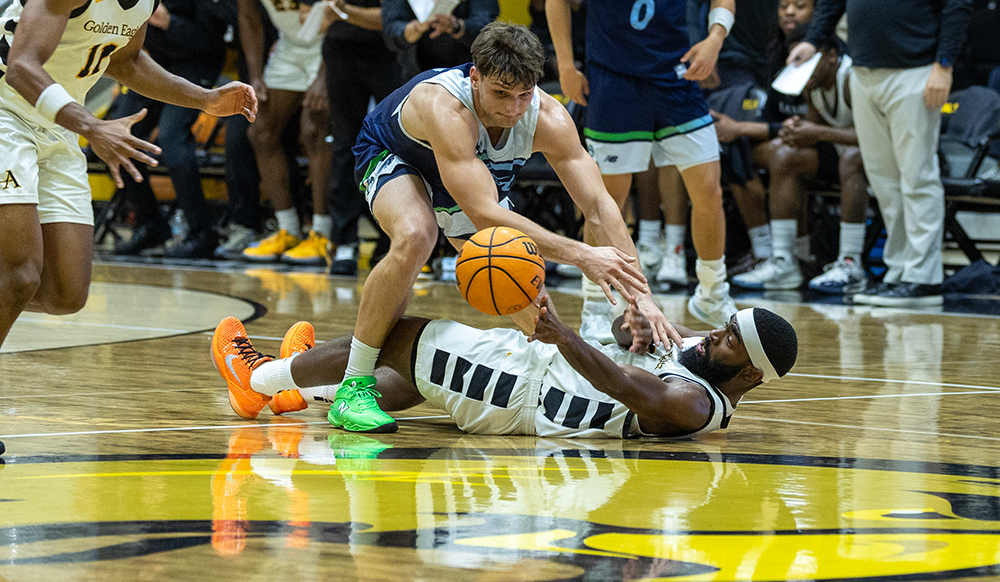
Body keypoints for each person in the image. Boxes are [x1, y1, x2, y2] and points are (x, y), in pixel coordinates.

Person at [304, 21, 679, 432]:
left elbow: (599, 206)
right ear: (475, 77)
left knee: (536, 310)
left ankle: (304, 384)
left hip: (470, 176)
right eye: (501, 94)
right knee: (417, 235)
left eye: (524, 95)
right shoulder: (446, 107)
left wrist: (640, 295)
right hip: (399, 157)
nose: (513, 108)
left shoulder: (548, 117)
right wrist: (582, 255)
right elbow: (484, 214)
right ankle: (353, 386)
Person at [0, 0, 256, 374]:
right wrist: (91, 127)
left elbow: (127, 61)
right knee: (20, 274)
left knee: (65, 293)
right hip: (7, 114)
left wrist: (204, 99)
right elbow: (21, 68)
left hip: (58, 124)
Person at [211, 295, 797, 437]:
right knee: (417, 379)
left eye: (727, 344)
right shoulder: (706, 360)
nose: (713, 337)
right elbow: (626, 352)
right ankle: (301, 391)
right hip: (526, 376)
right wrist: (628, 329)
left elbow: (617, 381)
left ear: (748, 376)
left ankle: (258, 378)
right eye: (723, 327)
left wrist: (561, 332)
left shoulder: (695, 406)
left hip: (522, 395)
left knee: (399, 335)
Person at [546, 0, 739, 337]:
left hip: (676, 74)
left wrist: (715, 39)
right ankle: (595, 303)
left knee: (709, 190)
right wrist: (565, 64)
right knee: (605, 200)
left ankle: (712, 290)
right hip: (613, 77)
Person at [788, 0, 973, 307]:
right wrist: (812, 41)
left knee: (916, 176)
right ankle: (898, 272)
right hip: (864, 70)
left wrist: (944, 63)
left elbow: (957, 4)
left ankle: (923, 278)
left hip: (916, 69)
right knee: (884, 180)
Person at [731, 39, 869, 294]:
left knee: (852, 156)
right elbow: (815, 136)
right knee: (786, 155)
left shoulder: (850, 78)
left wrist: (817, 132)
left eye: (807, 59)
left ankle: (851, 263)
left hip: (876, 157)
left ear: (831, 55)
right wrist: (799, 130)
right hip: (840, 152)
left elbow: (872, 135)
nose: (801, 68)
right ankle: (786, 260)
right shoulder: (812, 84)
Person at [106, 0, 234, 259]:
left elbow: (212, 41)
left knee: (172, 138)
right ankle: (151, 223)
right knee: (118, 135)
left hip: (195, 65)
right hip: (155, 62)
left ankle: (202, 232)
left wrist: (170, 24)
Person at [236, 0, 332, 265]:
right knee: (261, 133)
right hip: (289, 47)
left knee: (315, 129)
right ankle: (287, 229)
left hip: (330, 46)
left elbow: (341, 14)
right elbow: (248, 14)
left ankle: (324, 233)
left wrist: (326, 75)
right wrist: (255, 76)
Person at [315, 0, 402, 276]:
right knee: (345, 145)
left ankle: (398, 238)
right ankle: (344, 241)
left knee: (398, 144)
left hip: (391, 53)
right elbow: (313, 16)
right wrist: (341, 15)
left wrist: (344, 12)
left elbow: (389, 20)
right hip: (341, 51)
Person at [382, 0, 499, 81]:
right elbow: (390, 34)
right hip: (414, 74)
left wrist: (455, 26)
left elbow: (488, 31)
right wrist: (417, 27)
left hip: (469, 75)